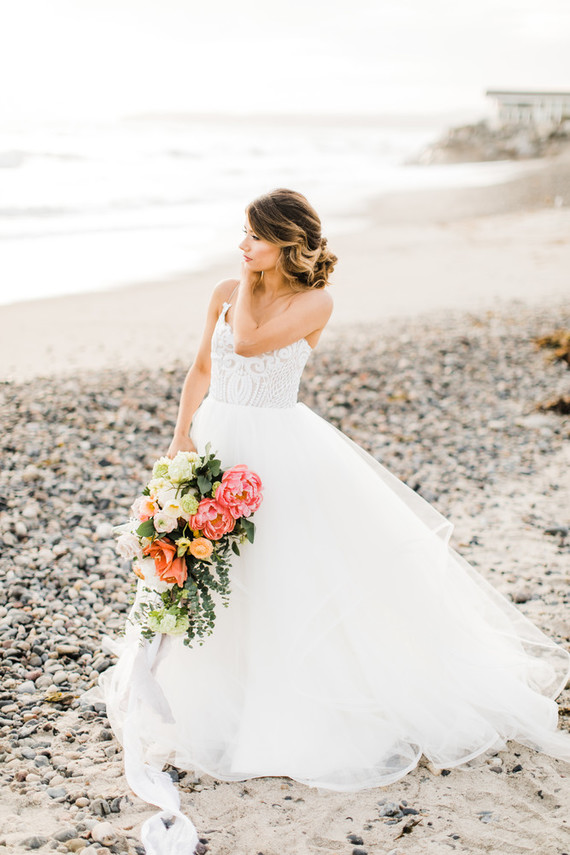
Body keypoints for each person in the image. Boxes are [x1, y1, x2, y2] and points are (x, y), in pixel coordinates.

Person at [90, 188, 570, 855]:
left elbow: (248, 344)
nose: (242, 246)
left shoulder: (314, 302)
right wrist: (180, 437)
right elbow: (204, 366)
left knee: (282, 575)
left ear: (287, 243)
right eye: (242, 234)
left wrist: (249, 286)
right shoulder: (225, 290)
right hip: (218, 441)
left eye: (255, 236)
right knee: (212, 571)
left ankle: (287, 710)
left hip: (278, 453)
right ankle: (212, 703)